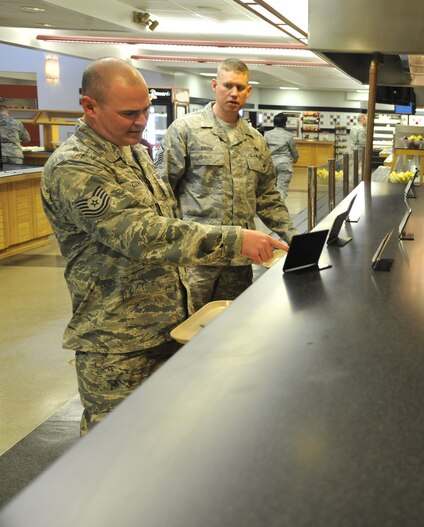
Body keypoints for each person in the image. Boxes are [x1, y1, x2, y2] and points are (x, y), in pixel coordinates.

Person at [40, 58, 288, 435]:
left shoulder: (135, 153)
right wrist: (236, 240)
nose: (140, 122)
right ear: (89, 106)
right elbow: (142, 235)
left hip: (168, 325)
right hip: (118, 342)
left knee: (163, 441)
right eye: (128, 113)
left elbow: (170, 215)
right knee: (113, 452)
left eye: (145, 110)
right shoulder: (75, 166)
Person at [155, 58, 297, 312]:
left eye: (240, 88)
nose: (234, 93)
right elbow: (162, 190)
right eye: (228, 85)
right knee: (189, 328)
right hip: (196, 257)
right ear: (214, 85)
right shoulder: (186, 130)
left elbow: (267, 197)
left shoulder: (255, 140)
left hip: (238, 260)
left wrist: (294, 238)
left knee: (233, 327)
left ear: (248, 91)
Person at [264, 112, 300, 202]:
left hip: (271, 164)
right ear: (285, 123)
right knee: (282, 188)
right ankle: (278, 208)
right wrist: (295, 159)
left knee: (272, 188)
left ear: (274, 123)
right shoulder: (288, 136)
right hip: (284, 164)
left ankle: (272, 207)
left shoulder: (267, 134)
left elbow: (264, 150)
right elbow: (294, 151)